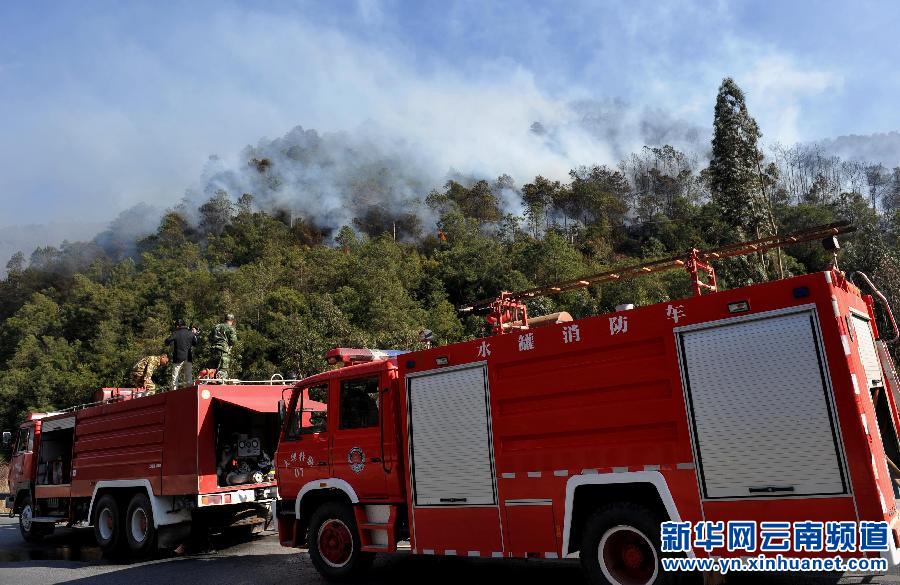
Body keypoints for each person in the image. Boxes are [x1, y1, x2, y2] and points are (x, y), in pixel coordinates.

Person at [166, 319, 198, 389]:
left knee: (175, 376)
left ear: (178, 326)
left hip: (178, 358)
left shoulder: (176, 333)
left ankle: (174, 393)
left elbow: (167, 341)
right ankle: (189, 392)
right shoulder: (190, 333)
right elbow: (195, 343)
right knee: (188, 377)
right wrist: (194, 334)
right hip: (188, 358)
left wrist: (168, 342)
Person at [211, 313, 238, 381]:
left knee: (213, 369)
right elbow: (233, 340)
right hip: (223, 350)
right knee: (223, 369)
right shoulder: (230, 328)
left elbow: (210, 337)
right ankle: (221, 384)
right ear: (232, 321)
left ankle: (211, 382)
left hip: (214, 349)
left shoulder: (217, 326)